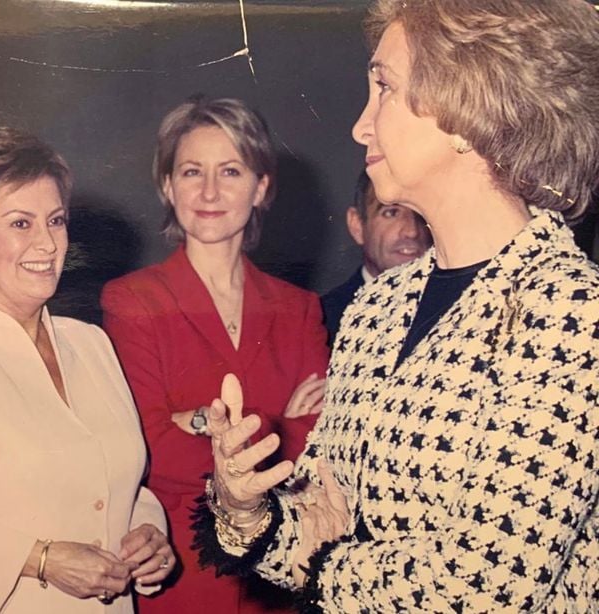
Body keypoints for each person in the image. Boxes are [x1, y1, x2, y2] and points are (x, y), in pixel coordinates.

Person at [197, 1, 599, 612]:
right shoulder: (379, 306)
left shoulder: (573, 314)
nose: (361, 126)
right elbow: (319, 510)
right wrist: (246, 505)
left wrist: (323, 560)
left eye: (383, 87)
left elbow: (485, 588)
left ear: (470, 107)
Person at [0, 127, 174, 613]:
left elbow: (114, 481)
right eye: (21, 224)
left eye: (56, 220)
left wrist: (148, 532)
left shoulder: (91, 343)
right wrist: (39, 559)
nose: (47, 243)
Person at [100, 97, 329, 614]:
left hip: (278, 582)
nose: (208, 192)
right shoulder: (132, 299)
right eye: (190, 171)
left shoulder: (299, 308)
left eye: (230, 171)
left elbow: (323, 450)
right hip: (181, 574)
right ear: (166, 185)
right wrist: (280, 426)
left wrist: (199, 422)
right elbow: (148, 449)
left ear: (261, 186)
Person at [320, 170, 430, 343]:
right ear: (357, 226)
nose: (412, 231)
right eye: (391, 213)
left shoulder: (459, 306)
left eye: (421, 213)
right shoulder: (324, 321)